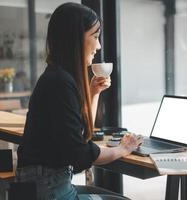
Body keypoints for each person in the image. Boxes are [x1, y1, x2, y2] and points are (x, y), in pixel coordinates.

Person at [16, 2, 143, 200]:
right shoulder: (60, 83)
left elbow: (80, 136)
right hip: (50, 191)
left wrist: (94, 93)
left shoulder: (57, 77)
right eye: (95, 36)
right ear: (74, 39)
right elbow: (79, 155)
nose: (99, 45)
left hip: (48, 186)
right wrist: (123, 149)